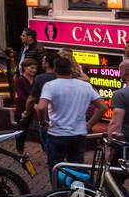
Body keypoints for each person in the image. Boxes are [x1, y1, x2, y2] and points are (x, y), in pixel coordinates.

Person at [35, 54, 106, 186]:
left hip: (57, 134)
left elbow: (41, 107)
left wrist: (43, 122)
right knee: (77, 169)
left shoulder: (51, 86)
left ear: (55, 70)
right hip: (78, 134)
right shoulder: (85, 86)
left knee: (56, 168)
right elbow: (102, 107)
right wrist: (89, 124)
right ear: (71, 70)